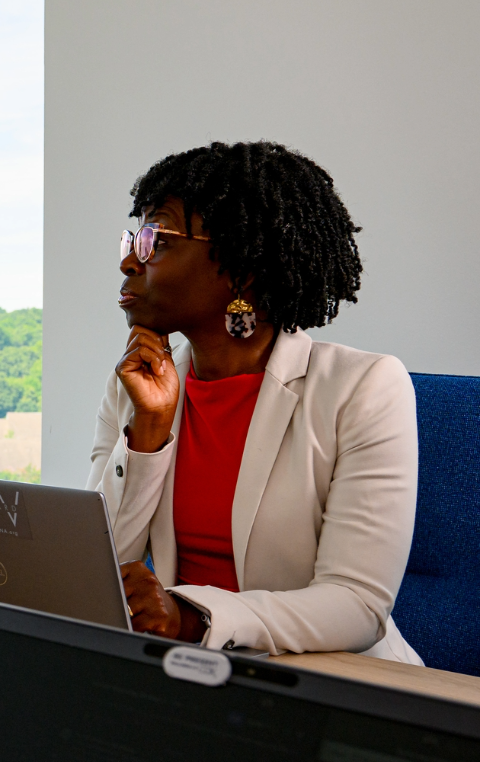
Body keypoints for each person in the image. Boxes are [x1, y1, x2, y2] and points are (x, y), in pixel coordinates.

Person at [89, 141, 421, 663]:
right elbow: (95, 572)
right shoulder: (134, 387)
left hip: (336, 688)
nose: (131, 260)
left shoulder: (365, 389)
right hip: (188, 674)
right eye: (134, 236)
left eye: (157, 238)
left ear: (241, 269)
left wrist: (194, 616)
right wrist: (148, 433)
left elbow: (357, 605)